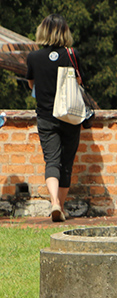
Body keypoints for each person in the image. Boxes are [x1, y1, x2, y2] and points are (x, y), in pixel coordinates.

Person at [24, 14, 85, 223]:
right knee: (66, 163)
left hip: (46, 116)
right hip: (69, 115)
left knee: (51, 160)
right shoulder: (72, 54)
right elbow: (79, 81)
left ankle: (54, 203)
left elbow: (32, 85)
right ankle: (61, 205)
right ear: (64, 33)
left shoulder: (33, 57)